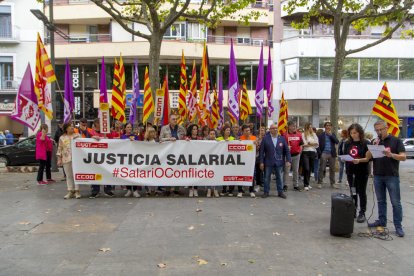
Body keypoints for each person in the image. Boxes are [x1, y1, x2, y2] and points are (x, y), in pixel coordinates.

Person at [367, 120, 406, 237]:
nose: (379, 132)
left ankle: (398, 225)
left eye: (381, 129)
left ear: (386, 128)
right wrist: (372, 147)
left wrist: (391, 155)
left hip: (391, 175)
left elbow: (403, 157)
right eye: (377, 130)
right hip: (378, 175)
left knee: (395, 202)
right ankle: (382, 221)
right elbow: (368, 157)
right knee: (380, 201)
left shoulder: (396, 140)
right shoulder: (376, 141)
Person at [342, 124, 370, 223]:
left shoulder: (366, 143)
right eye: (351, 133)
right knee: (353, 191)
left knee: (361, 192)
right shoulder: (348, 143)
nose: (353, 135)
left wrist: (359, 160)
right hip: (351, 171)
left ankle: (362, 212)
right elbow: (345, 154)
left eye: (355, 133)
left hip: (362, 171)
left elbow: (368, 159)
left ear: (360, 132)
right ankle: (353, 210)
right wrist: (344, 158)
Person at [259, 124, 291, 199]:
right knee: (267, 178)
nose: (275, 129)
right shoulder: (265, 138)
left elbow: (286, 150)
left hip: (279, 162)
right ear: (270, 130)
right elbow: (261, 151)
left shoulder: (282, 138)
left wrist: (288, 160)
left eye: (276, 128)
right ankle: (266, 192)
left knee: (279, 177)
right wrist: (261, 162)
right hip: (268, 162)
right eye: (273, 128)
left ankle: (280, 192)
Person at [159, 114, 186, 196]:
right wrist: (169, 139)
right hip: (168, 153)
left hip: (178, 152)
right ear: (169, 120)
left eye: (176, 119)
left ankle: (177, 189)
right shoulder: (164, 128)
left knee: (177, 170)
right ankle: (167, 189)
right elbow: (160, 139)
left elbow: (184, 137)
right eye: (173, 119)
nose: (175, 120)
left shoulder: (181, 128)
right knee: (168, 170)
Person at [88, 118, 114, 198]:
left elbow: (112, 141)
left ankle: (108, 190)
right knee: (95, 173)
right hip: (95, 157)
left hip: (105, 156)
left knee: (107, 172)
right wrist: (92, 138)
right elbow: (85, 140)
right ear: (95, 123)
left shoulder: (105, 132)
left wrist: (107, 139)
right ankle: (95, 190)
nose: (101, 124)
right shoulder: (91, 132)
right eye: (99, 123)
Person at [57, 123, 81, 199]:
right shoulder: (62, 138)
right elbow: (59, 148)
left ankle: (77, 191)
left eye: (73, 126)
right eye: (70, 126)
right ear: (66, 128)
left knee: (76, 175)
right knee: (68, 175)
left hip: (76, 159)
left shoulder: (77, 135)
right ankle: (70, 191)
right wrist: (59, 159)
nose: (72, 127)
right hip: (66, 159)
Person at [236, 124, 257, 198]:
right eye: (246, 131)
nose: (248, 132)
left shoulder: (254, 138)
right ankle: (240, 191)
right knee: (240, 175)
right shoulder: (240, 138)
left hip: (251, 161)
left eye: (249, 130)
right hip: (242, 161)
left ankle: (251, 190)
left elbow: (257, 149)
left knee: (252, 175)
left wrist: (256, 144)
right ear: (242, 132)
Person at [121, 123, 141, 198]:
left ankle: (135, 190)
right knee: (127, 173)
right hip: (126, 158)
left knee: (134, 173)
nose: (129, 128)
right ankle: (129, 189)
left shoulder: (136, 136)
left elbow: (139, 145)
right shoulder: (122, 137)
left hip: (135, 158)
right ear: (125, 128)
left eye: (130, 127)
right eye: (128, 127)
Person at [317, 121, 339, 189]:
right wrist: (320, 153)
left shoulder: (333, 134)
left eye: (329, 125)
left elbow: (337, 141)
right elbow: (318, 145)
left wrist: (331, 135)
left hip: (331, 153)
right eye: (327, 125)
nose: (328, 126)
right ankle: (320, 182)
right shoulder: (321, 135)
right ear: (325, 127)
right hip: (324, 153)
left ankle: (332, 183)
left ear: (331, 127)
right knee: (322, 168)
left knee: (332, 169)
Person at [283, 121, 303, 191]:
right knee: (286, 171)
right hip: (287, 156)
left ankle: (296, 185)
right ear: (289, 127)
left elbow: (301, 144)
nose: (294, 127)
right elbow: (282, 145)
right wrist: (286, 147)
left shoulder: (299, 134)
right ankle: (285, 185)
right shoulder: (285, 135)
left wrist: (300, 151)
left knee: (296, 170)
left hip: (296, 155)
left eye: (295, 126)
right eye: (293, 126)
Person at [216, 125, 235, 196]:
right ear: (223, 131)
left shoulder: (233, 139)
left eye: (229, 130)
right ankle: (224, 189)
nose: (228, 131)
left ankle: (230, 190)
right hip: (222, 160)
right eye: (227, 130)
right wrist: (223, 141)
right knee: (223, 174)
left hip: (231, 160)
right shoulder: (219, 139)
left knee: (230, 174)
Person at [185, 124, 203, 197]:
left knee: (196, 173)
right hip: (189, 158)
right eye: (193, 129)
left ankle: (195, 189)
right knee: (190, 173)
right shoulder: (186, 138)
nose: (195, 131)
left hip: (197, 158)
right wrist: (185, 140)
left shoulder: (200, 138)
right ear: (190, 130)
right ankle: (190, 189)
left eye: (196, 129)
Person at [302, 123, 319, 191]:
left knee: (310, 169)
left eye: (311, 127)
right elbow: (304, 144)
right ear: (306, 128)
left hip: (313, 152)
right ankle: (305, 184)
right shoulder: (303, 134)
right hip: (305, 153)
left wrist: (310, 144)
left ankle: (307, 183)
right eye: (309, 127)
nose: (311, 128)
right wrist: (312, 144)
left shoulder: (314, 134)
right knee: (306, 168)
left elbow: (317, 144)